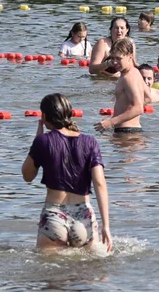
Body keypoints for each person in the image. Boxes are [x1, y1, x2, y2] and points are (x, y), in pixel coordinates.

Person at [22, 93, 112, 254]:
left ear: (45, 116)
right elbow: (100, 184)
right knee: (90, 273)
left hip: (55, 215)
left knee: (51, 273)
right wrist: (106, 226)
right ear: (69, 113)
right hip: (83, 215)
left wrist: (38, 136)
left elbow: (27, 176)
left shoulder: (43, 141)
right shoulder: (90, 142)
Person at [95, 38, 144, 133]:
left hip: (126, 132)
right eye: (112, 58)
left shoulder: (128, 78)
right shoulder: (136, 72)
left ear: (130, 56)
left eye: (119, 58)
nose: (114, 62)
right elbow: (148, 97)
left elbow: (138, 108)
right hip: (132, 130)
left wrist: (110, 122)